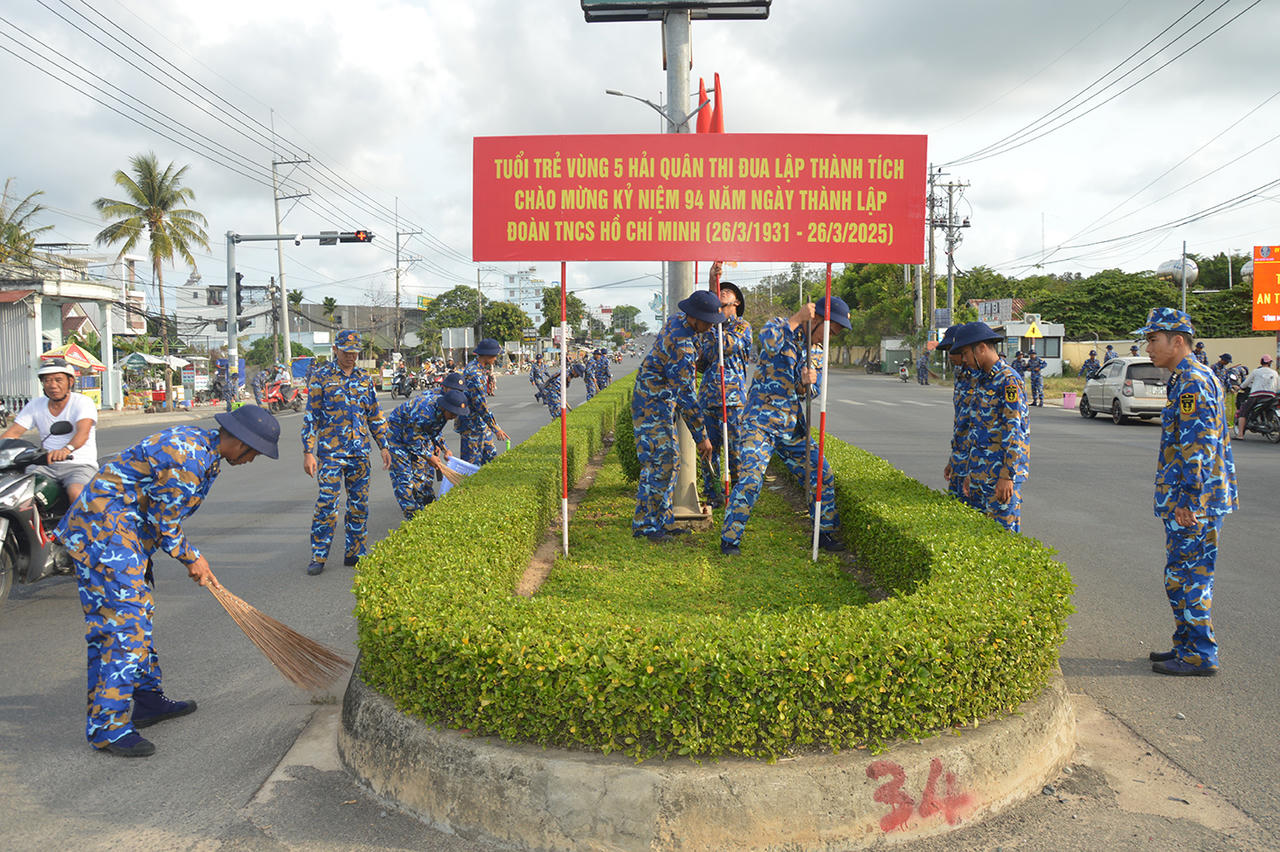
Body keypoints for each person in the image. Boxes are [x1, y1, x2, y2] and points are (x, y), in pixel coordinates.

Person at [55, 405, 280, 757]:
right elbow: (165, 523)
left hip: (124, 536)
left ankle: (147, 699)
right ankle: (108, 728)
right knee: (123, 629)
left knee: (137, 617)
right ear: (240, 442)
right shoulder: (189, 458)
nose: (252, 460)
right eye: (254, 453)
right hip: (105, 537)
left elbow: (156, 513)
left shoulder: (205, 450)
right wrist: (194, 559)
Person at [1135, 308, 1236, 676]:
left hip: (1195, 503)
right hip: (1191, 500)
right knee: (1180, 575)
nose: (1148, 347)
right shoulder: (1184, 379)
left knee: (1189, 578)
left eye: (1153, 339)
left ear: (1177, 341)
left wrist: (1189, 500)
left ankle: (1199, 655)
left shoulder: (1193, 381)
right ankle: (1187, 645)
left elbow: (1199, 447)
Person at [720, 297, 851, 556]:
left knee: (821, 473)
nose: (828, 338)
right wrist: (797, 318)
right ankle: (730, 540)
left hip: (791, 426)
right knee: (750, 479)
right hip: (760, 422)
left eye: (833, 334)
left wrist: (806, 383)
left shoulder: (817, 352)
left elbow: (810, 393)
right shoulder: (780, 326)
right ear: (816, 320)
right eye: (829, 331)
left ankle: (823, 532)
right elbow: (768, 344)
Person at [633, 290, 724, 542]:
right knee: (659, 461)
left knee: (670, 460)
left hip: (661, 401)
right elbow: (686, 397)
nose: (710, 327)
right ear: (694, 317)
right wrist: (702, 437)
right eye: (707, 321)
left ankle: (662, 520)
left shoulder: (678, 319)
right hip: (651, 404)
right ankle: (645, 526)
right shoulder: (681, 346)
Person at [300, 329, 390, 576]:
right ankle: (318, 555)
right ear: (335, 350)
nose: (351, 356)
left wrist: (384, 445)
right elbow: (312, 416)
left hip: (359, 453)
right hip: (331, 453)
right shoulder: (321, 377)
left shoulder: (364, 379)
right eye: (346, 352)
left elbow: (374, 414)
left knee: (359, 505)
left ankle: (355, 552)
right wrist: (308, 451)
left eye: (355, 352)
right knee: (327, 505)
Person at [952, 322, 1030, 533]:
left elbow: (1014, 431)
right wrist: (971, 472)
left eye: (965, 353)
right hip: (980, 474)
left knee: (1002, 537)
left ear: (981, 348)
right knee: (978, 536)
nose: (964, 359)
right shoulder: (982, 380)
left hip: (999, 479)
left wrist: (1007, 475)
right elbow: (977, 430)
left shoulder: (1008, 381)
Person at [2, 358, 99, 504]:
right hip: (44, 465)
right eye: (47, 380)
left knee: (76, 492)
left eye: (58, 380)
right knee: (16, 492)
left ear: (70, 382)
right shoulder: (36, 405)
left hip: (79, 464)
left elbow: (83, 432)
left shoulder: (83, 402)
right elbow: (13, 433)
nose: (53, 385)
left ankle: (83, 520)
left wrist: (66, 450)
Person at [697, 266, 752, 509]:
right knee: (708, 450)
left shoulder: (742, 326)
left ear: (736, 302)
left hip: (732, 400)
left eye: (727, 292)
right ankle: (713, 494)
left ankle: (738, 495)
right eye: (720, 291)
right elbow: (703, 358)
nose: (723, 293)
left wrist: (714, 321)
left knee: (736, 451)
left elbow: (726, 345)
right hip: (709, 398)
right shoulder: (709, 328)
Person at [386, 388, 467, 518]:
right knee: (404, 481)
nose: (454, 417)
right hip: (397, 438)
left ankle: (425, 509)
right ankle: (412, 517)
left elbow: (434, 430)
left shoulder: (442, 411)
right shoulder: (425, 412)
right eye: (453, 413)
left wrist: (444, 448)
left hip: (414, 436)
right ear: (446, 407)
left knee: (420, 478)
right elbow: (411, 439)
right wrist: (429, 456)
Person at [940, 325, 981, 509]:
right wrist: (953, 459)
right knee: (957, 509)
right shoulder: (960, 374)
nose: (950, 355)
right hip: (960, 457)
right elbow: (961, 423)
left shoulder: (981, 375)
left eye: (952, 350)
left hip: (977, 461)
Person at [455, 338, 509, 467]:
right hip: (471, 426)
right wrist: (496, 428)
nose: (495, 359)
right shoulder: (474, 374)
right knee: (471, 465)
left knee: (490, 457)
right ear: (487, 355)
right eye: (495, 355)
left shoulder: (478, 368)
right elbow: (481, 405)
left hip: (481, 424)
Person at [1235, 354, 1279, 438]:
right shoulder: (1275, 373)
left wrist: (1240, 387)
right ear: (1270, 363)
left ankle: (1240, 434)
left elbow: (1245, 383)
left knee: (1243, 411)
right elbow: (1278, 386)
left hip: (1257, 396)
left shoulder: (1256, 371)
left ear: (1261, 362)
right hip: (1271, 396)